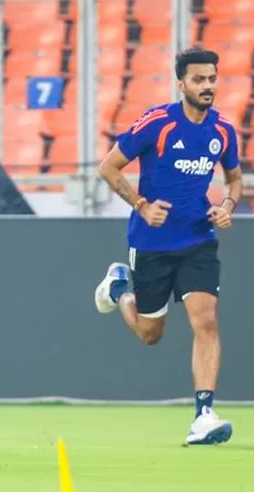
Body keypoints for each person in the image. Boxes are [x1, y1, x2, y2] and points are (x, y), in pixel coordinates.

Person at [94, 47, 242, 445]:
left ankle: (203, 415)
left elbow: (234, 179)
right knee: (150, 334)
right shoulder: (158, 123)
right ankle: (118, 290)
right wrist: (141, 206)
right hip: (152, 244)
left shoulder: (223, 131)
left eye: (212, 78)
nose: (207, 86)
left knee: (206, 321)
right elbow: (108, 167)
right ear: (181, 84)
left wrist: (227, 207)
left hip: (198, 240)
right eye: (199, 79)